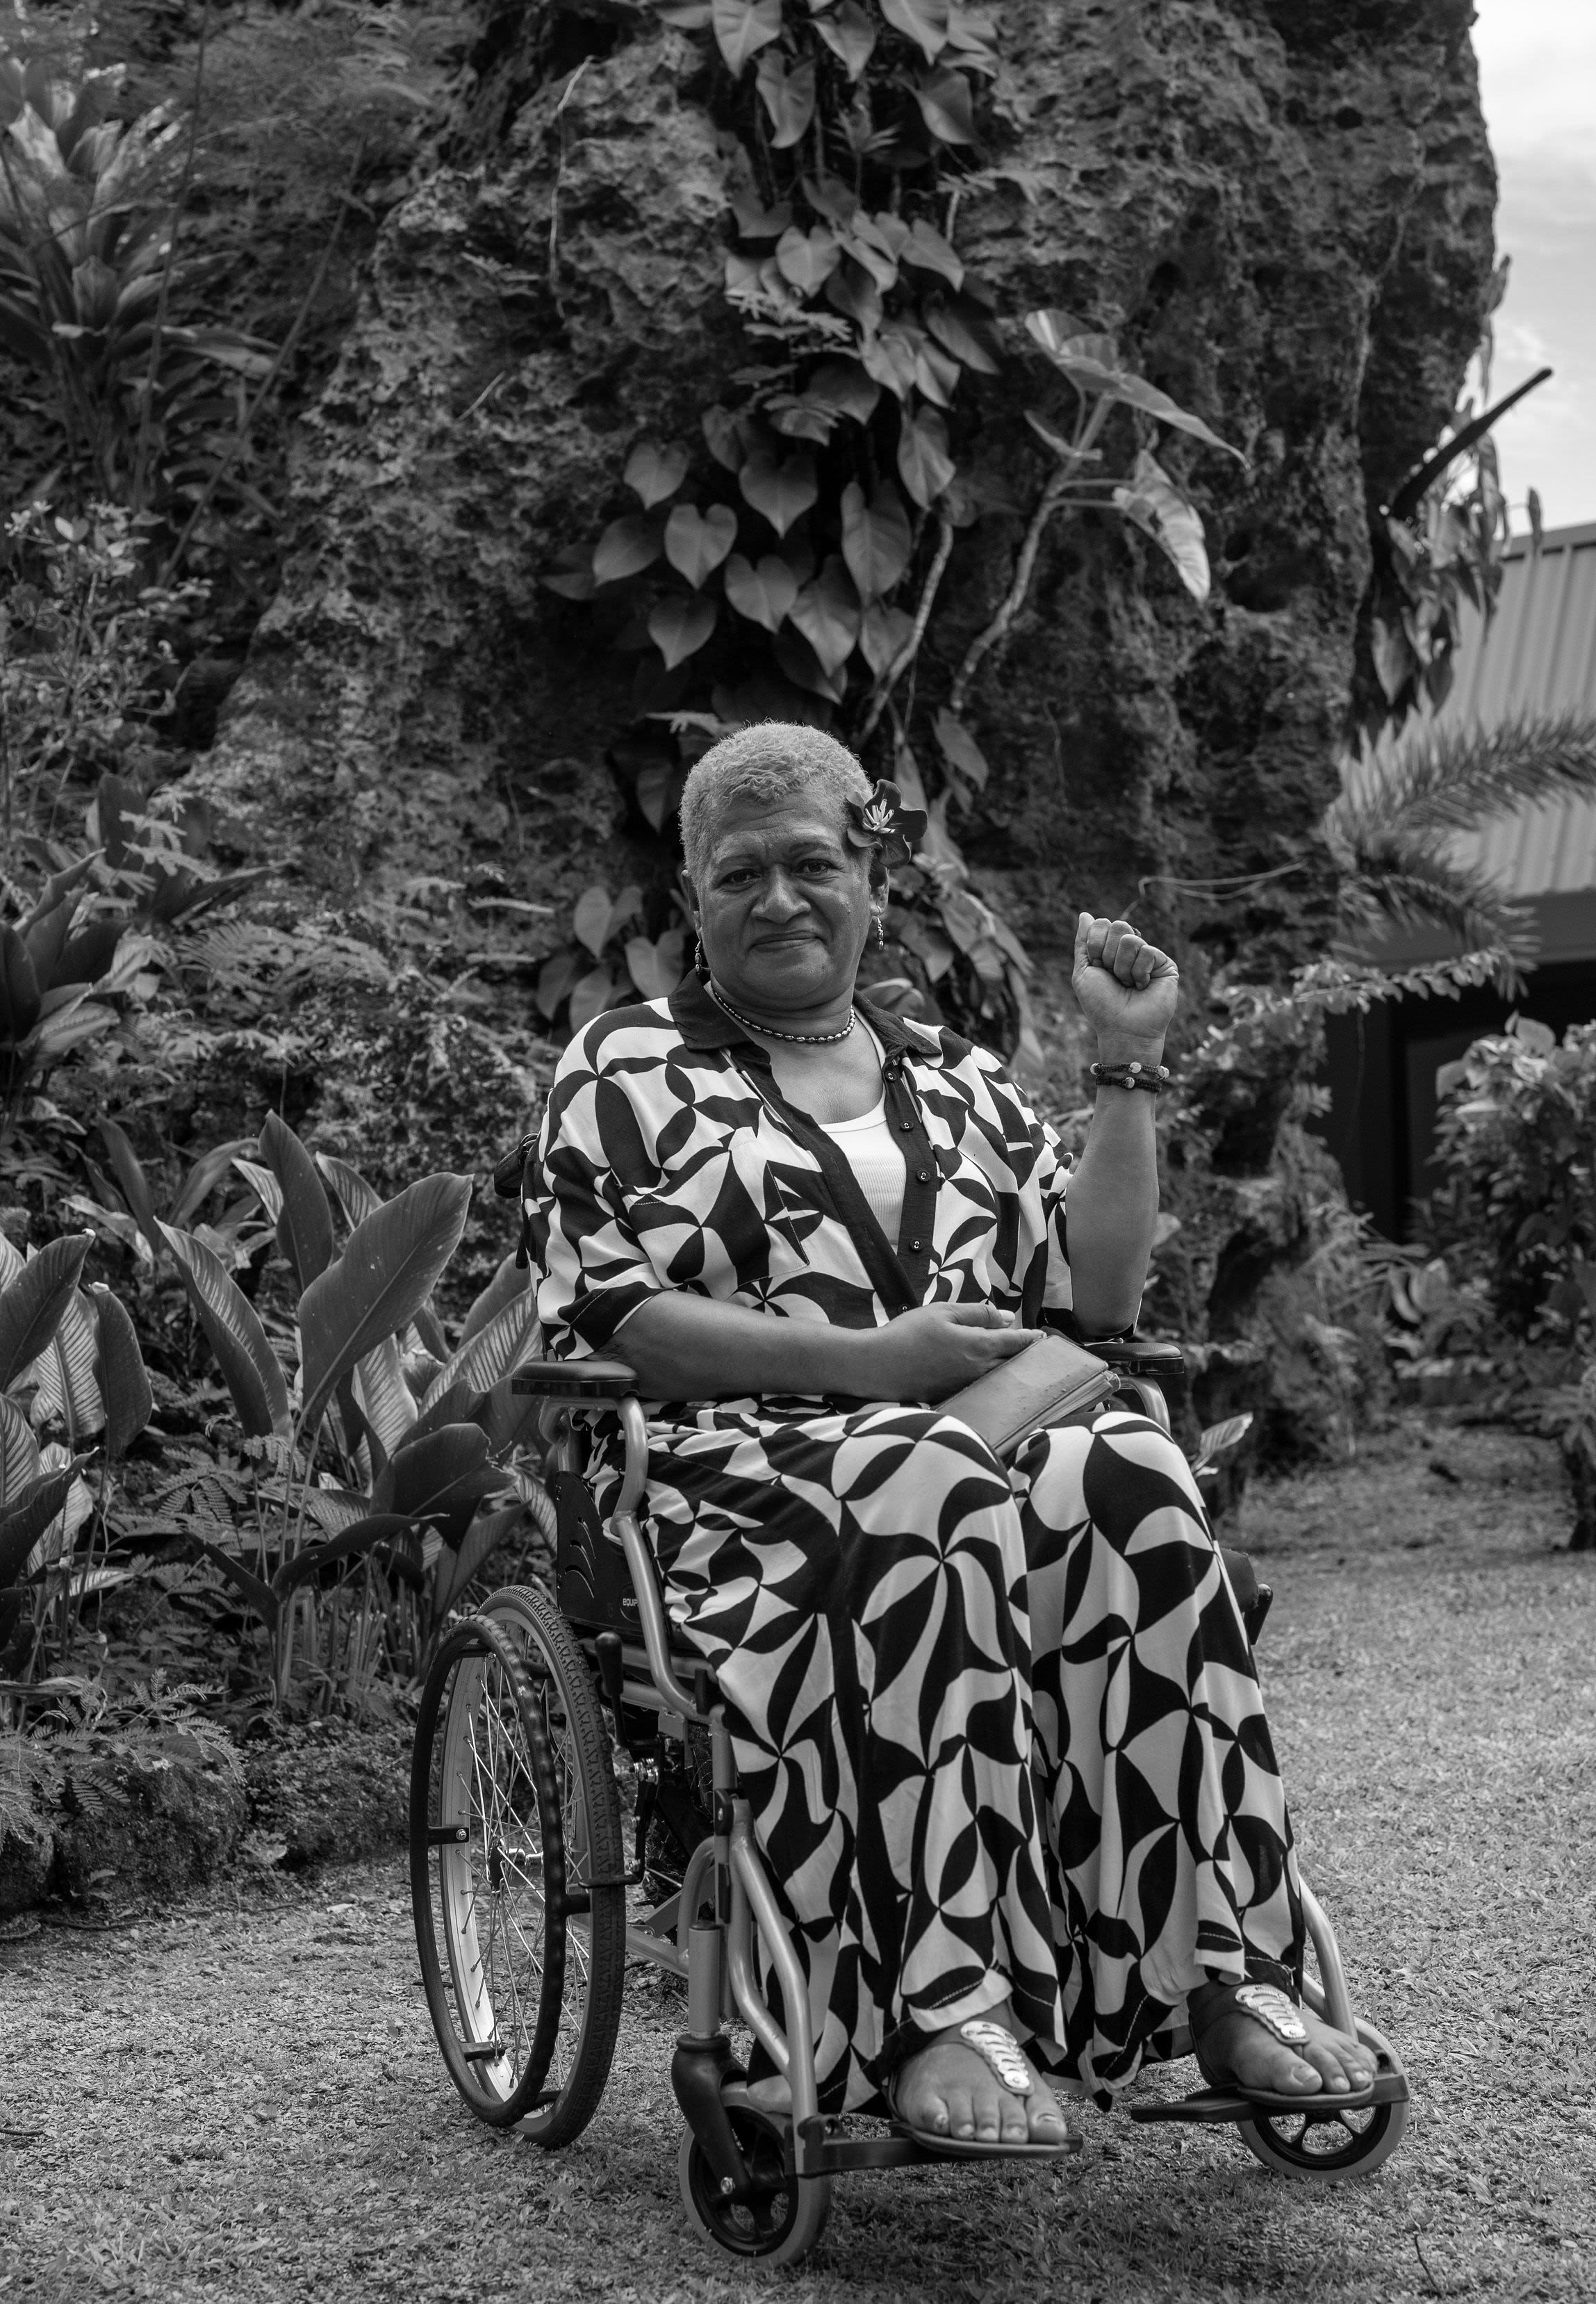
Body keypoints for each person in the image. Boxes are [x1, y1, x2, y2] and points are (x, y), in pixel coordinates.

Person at [526, 721, 1376, 2151]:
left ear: (870, 874)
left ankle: (1222, 1972)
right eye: (743, 875)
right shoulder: (625, 1069)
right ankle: (942, 2008)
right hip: (728, 1479)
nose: (781, 899)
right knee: (926, 1484)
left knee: (1134, 1474)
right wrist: (879, 1363)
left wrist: (1122, 1064)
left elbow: (1094, 1292)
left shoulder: (957, 1082)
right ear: (692, 897)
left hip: (976, 1446)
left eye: (812, 864)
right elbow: (621, 1321)